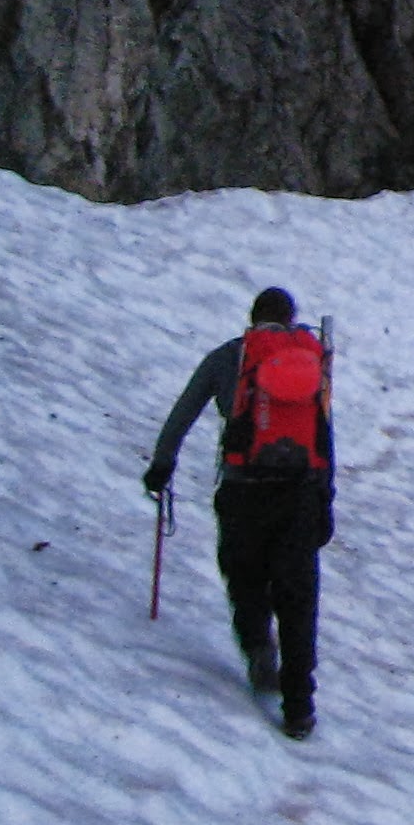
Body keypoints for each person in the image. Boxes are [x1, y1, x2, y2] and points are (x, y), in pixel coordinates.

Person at [144, 287, 335, 740]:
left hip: (242, 490)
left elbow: (183, 413)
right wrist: (326, 499)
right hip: (300, 495)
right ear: (291, 321)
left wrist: (162, 465)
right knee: (298, 597)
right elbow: (324, 435)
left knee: (244, 574)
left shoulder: (229, 357)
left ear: (252, 318)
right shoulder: (311, 365)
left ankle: (257, 645)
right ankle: (299, 706)